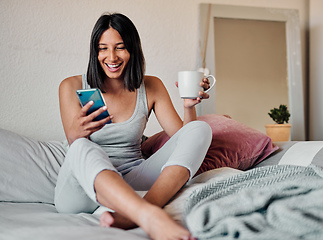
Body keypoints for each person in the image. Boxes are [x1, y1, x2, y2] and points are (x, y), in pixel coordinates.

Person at [54, 12, 213, 240]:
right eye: (103, 48)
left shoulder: (151, 86)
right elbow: (74, 144)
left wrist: (189, 106)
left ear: (132, 49)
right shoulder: (71, 86)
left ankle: (139, 211)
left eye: (120, 47)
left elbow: (184, 140)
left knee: (201, 129)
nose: (112, 56)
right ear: (95, 52)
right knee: (80, 147)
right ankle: (148, 216)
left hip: (132, 178)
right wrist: (78, 132)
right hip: (83, 189)